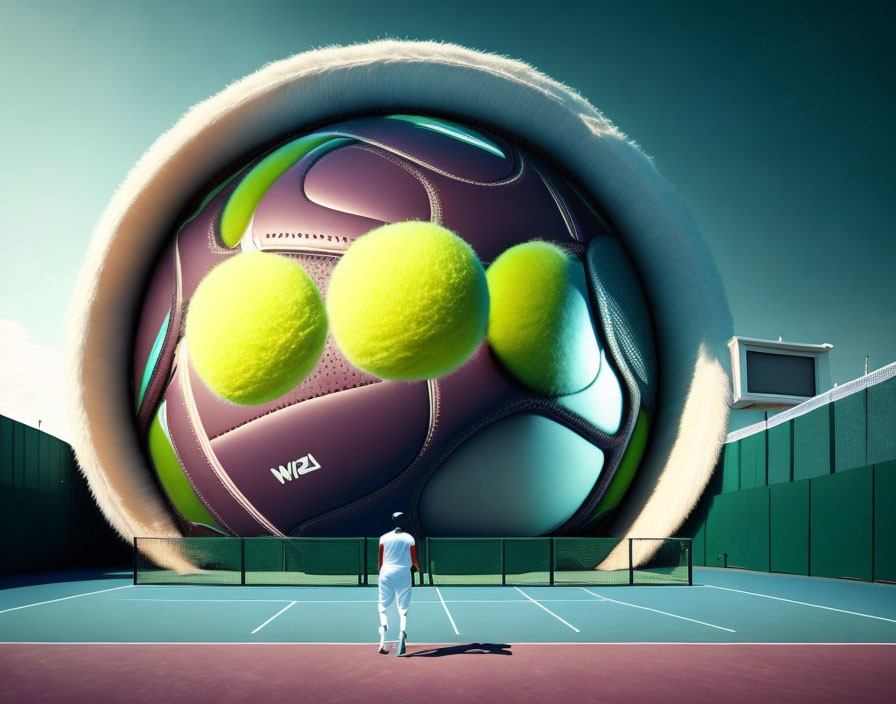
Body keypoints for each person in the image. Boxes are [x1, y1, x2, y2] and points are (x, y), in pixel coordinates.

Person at [377, 511, 419, 656]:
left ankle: (383, 635)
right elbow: (414, 561)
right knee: (403, 609)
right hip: (403, 574)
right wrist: (416, 569)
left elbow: (380, 560)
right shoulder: (409, 538)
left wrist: (381, 573)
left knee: (382, 608)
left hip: (386, 573)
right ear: (404, 521)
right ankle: (402, 633)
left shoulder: (383, 538)